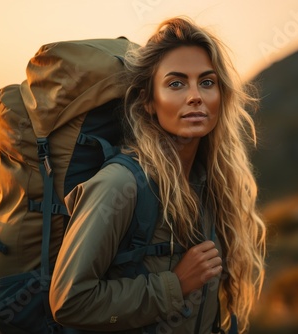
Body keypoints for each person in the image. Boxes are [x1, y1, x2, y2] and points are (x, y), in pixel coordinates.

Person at [49, 17, 266, 334]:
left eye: (207, 82)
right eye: (176, 83)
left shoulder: (211, 184)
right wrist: (175, 285)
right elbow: (69, 302)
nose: (195, 96)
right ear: (149, 101)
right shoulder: (120, 185)